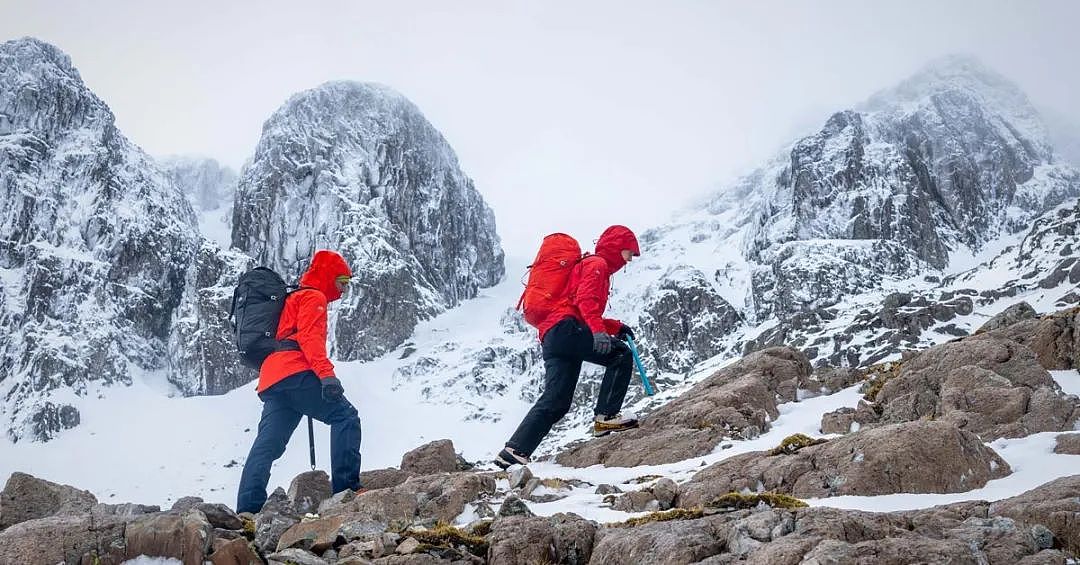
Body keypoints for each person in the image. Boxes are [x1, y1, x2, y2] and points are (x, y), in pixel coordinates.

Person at [496, 225, 642, 469]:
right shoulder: (598, 265)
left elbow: (574, 304)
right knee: (620, 355)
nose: (629, 259)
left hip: (552, 336)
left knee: (557, 398)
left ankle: (514, 451)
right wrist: (599, 332)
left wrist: (614, 327)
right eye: (629, 252)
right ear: (617, 248)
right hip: (567, 328)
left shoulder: (588, 264)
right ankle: (606, 417)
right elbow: (586, 301)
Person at [236, 250, 361, 514]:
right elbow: (309, 340)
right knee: (346, 417)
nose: (344, 288)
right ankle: (346, 491)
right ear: (327, 276)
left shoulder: (292, 298)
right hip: (295, 371)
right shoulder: (313, 297)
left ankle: (248, 508)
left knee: (268, 443)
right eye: (341, 281)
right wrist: (326, 376)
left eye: (348, 284)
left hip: (273, 378)